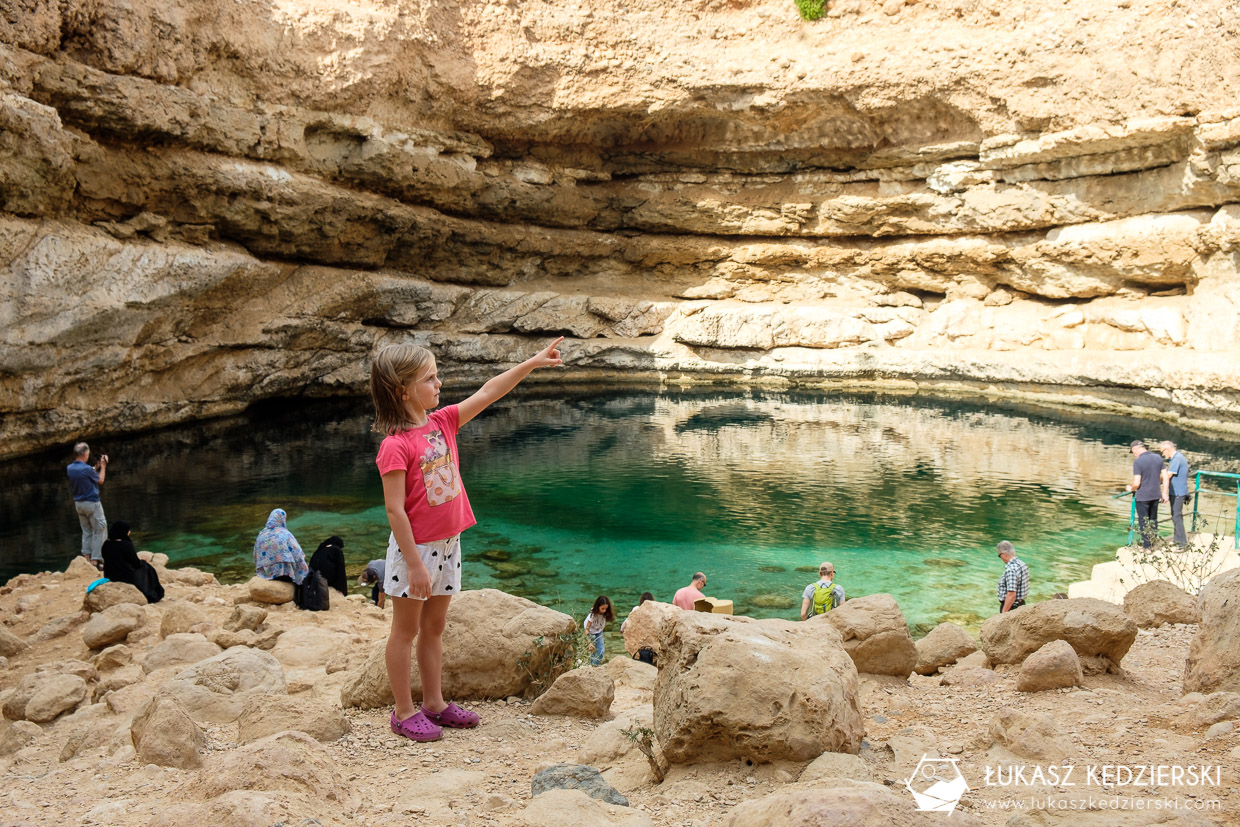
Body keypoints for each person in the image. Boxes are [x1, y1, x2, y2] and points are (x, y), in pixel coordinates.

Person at [371, 336, 563, 742]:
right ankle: (403, 711)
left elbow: (490, 391)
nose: (439, 384)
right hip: (416, 552)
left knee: (435, 627)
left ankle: (435, 703)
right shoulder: (395, 446)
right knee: (404, 632)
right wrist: (416, 566)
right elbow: (394, 511)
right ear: (402, 390)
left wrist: (532, 362)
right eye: (430, 378)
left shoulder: (441, 423)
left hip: (448, 545)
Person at [100, 521, 164, 603]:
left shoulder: (106, 544)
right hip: (125, 576)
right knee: (147, 568)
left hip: (110, 575)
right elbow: (136, 564)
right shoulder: (126, 545)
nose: (129, 532)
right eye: (127, 530)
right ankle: (153, 594)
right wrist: (143, 561)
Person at [66, 442, 108, 568]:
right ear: (85, 454)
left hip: (79, 504)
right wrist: (104, 467)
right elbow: (100, 480)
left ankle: (86, 558)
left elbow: (87, 474)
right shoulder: (86, 469)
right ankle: (96, 561)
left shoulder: (70, 468)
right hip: (92, 503)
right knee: (100, 528)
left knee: (87, 531)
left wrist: (96, 466)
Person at [1126, 440, 1165, 548]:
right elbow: (1163, 476)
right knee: (1153, 519)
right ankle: (1153, 542)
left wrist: (1131, 488)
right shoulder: (1157, 457)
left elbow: (1137, 482)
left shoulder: (1138, 462)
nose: (1134, 454)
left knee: (1143, 521)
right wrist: (1164, 491)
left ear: (1135, 449)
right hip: (1156, 494)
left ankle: (1147, 547)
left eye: (1133, 452)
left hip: (1143, 496)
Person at [253, 508, 309, 584]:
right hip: (284, 574)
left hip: (265, 573)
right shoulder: (284, 533)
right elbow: (297, 552)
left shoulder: (261, 534)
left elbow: (256, 554)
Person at [1160, 441, 1191, 547]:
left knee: (1177, 516)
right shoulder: (1177, 457)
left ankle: (1183, 543)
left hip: (1178, 492)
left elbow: (1168, 475)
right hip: (1177, 491)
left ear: (1167, 449)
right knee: (1175, 516)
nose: (1163, 455)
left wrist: (1154, 480)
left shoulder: (1177, 459)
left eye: (1162, 452)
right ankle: (1177, 539)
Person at [995, 540, 1029, 613]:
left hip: (1011, 608)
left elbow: (1011, 594)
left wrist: (1004, 613)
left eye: (999, 555)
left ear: (1004, 554)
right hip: (1021, 605)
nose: (1000, 558)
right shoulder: (1022, 564)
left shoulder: (1011, 569)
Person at [583, 596, 614, 667]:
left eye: (606, 608)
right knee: (592, 650)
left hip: (599, 630)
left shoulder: (606, 612)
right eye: (602, 609)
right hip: (590, 631)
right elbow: (587, 630)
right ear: (598, 607)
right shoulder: (593, 614)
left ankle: (594, 665)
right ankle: (592, 666)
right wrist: (589, 642)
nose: (604, 611)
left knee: (601, 651)